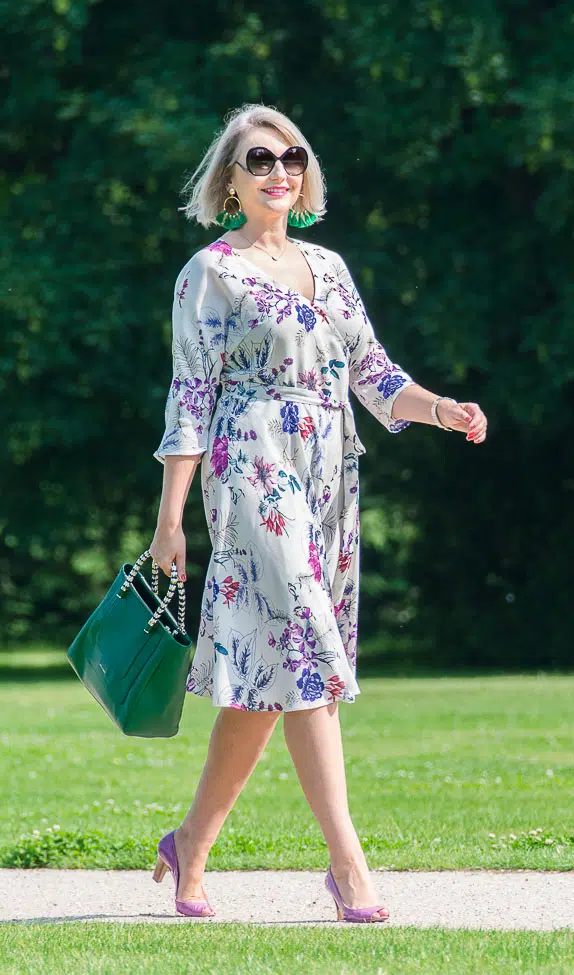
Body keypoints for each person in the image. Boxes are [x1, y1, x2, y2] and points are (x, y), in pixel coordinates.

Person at [149, 103, 488, 922]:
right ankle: (349, 865)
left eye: (291, 157)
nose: (278, 172)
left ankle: (191, 842)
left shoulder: (329, 266)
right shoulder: (210, 273)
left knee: (270, 678)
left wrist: (443, 408)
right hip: (252, 462)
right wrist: (170, 520)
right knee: (307, 648)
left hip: (328, 469)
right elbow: (191, 395)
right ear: (230, 179)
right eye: (259, 159)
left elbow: (374, 373)